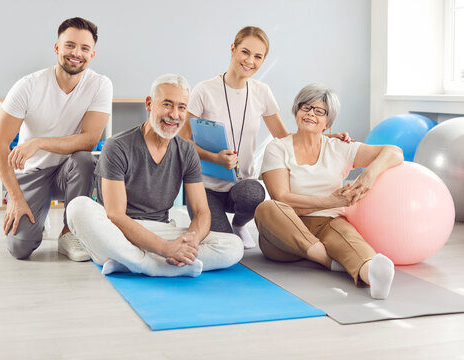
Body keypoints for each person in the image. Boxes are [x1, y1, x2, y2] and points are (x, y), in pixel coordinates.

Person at [180, 26, 349, 250]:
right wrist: (214, 157)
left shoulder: (262, 92)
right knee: (224, 243)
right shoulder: (203, 90)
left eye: (258, 56)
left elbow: (284, 136)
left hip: (240, 184)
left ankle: (240, 225)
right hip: (205, 186)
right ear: (233, 49)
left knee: (254, 192)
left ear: (263, 59)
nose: (250, 60)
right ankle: (220, 226)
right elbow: (182, 142)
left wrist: (323, 137)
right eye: (245, 52)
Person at [66, 74, 243, 277]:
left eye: (182, 107)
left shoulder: (187, 151)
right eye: (167, 104)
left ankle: (129, 261)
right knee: (77, 207)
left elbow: (202, 211)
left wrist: (191, 241)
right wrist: (166, 249)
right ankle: (153, 265)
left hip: (160, 229)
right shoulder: (117, 146)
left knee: (233, 246)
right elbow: (115, 215)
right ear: (149, 104)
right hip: (119, 231)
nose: (174, 115)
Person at [254, 83, 404, 299]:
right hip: (285, 229)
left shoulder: (340, 147)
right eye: (305, 107)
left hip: (327, 224)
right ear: (297, 110)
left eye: (319, 111)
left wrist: (367, 176)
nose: (310, 114)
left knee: (351, 241)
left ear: (328, 122)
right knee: (267, 207)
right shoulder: (277, 148)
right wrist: (330, 202)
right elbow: (282, 197)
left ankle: (373, 274)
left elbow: (394, 152)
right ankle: (328, 261)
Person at [0, 17, 113, 261]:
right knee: (20, 249)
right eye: (69, 45)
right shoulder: (28, 86)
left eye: (84, 48)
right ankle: (38, 213)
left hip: (68, 172)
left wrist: (38, 142)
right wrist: (15, 198)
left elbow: (89, 140)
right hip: (32, 172)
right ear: (57, 48)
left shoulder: (100, 85)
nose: (76, 53)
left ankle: (70, 231)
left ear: (92, 54)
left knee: (84, 159)